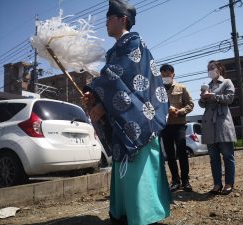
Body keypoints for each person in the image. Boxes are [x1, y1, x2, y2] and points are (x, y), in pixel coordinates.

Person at [81, 0, 171, 224]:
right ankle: (123, 212)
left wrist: (104, 102)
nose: (106, 23)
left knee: (139, 169)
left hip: (139, 119)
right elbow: (113, 81)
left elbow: (130, 83)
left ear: (123, 19)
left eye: (110, 18)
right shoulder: (116, 51)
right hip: (123, 119)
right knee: (124, 169)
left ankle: (143, 215)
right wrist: (95, 96)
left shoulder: (134, 44)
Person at [198, 60, 237, 195]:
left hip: (222, 122)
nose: (210, 70)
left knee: (227, 155)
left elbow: (230, 98)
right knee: (213, 157)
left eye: (212, 68)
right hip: (209, 124)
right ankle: (217, 184)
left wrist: (213, 96)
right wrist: (203, 98)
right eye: (208, 68)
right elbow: (202, 105)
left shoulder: (227, 82)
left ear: (219, 68)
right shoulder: (207, 85)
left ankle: (229, 183)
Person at [160, 64, 194, 192]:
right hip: (164, 126)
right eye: (163, 75)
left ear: (173, 74)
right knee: (169, 154)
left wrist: (179, 112)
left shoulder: (182, 88)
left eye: (168, 74)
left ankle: (185, 180)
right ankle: (175, 181)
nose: (165, 76)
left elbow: (190, 104)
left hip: (179, 124)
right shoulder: (158, 90)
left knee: (182, 152)